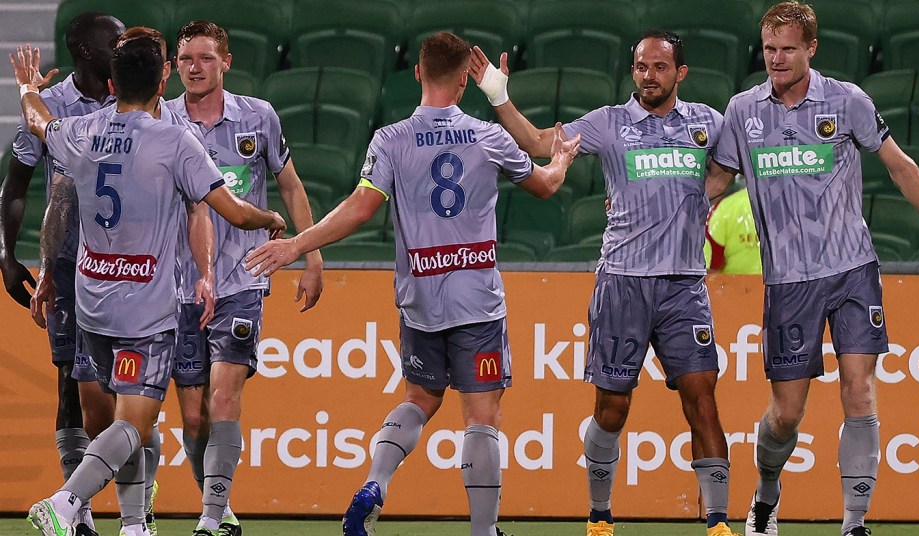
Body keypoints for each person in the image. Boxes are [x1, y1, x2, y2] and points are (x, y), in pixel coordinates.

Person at [245, 31, 579, 536]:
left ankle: (375, 483)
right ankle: (484, 531)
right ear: (465, 80)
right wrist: (561, 161)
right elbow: (546, 184)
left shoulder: (391, 138)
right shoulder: (488, 137)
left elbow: (359, 209)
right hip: (477, 298)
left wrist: (297, 245)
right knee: (481, 415)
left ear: (419, 73)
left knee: (421, 398)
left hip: (420, 297)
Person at [12, 35, 285, 536]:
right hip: (147, 310)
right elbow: (233, 210)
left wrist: (28, 86)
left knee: (118, 421)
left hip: (93, 303)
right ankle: (66, 501)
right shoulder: (174, 141)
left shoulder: (82, 131)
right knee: (134, 424)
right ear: (164, 79)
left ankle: (135, 524)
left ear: (112, 84)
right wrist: (272, 218)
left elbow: (36, 120)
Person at [470, 30, 740, 536]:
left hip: (684, 286)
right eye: (641, 66)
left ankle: (719, 522)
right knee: (612, 408)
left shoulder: (708, 122)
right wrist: (498, 95)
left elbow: (734, 162)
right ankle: (599, 515)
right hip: (622, 283)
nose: (648, 76)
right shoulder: (609, 123)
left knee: (702, 399)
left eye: (660, 67)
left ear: (680, 73)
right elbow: (538, 143)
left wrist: (702, 196)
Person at [705, 3, 919, 535]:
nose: (776, 59)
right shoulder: (743, 111)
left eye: (787, 49)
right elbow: (713, 184)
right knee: (786, 414)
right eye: (769, 49)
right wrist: (654, 209)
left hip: (852, 269)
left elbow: (900, 167)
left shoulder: (845, 100)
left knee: (858, 389)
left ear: (811, 48)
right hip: (788, 282)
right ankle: (766, 495)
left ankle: (854, 524)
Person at [164, 19, 325, 536]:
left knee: (226, 395)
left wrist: (311, 254)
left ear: (226, 62)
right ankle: (221, 508)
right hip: (177, 284)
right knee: (193, 418)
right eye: (186, 58)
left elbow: (291, 186)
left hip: (243, 277)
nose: (194, 67)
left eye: (205, 58)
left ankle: (209, 519)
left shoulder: (259, 117)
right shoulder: (162, 119)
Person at [0, 12, 124, 536]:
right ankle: (79, 516)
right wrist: (7, 254)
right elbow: (17, 185)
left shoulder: (134, 95)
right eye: (113, 39)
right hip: (73, 265)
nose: (123, 45)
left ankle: (136, 513)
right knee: (71, 387)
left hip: (136, 266)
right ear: (87, 51)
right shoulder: (53, 108)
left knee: (137, 390)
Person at [704, 185, 762, 275]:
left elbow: (709, 266)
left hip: (732, 287)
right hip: (783, 287)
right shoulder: (790, 204)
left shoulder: (724, 208)